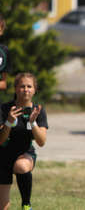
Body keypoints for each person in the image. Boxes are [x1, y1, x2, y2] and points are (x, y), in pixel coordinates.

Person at [0, 73, 48, 210]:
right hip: (2, 157)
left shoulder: (38, 110)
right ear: (15, 89)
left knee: (21, 166)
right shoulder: (4, 109)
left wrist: (33, 123)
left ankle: (26, 204)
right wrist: (8, 122)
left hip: (24, 154)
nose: (26, 89)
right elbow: (0, 140)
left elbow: (41, 142)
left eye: (29, 86)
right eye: (22, 86)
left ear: (34, 90)